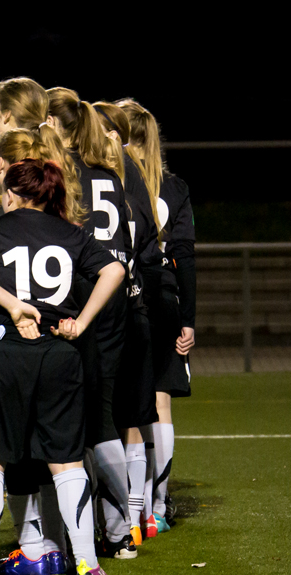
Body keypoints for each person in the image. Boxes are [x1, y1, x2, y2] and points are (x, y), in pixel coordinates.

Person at [0, 158, 124, 575]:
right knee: (66, 463)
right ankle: (86, 561)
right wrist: (81, 323)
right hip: (59, 354)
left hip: (7, 351)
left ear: (11, 192)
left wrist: (11, 304)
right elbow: (115, 269)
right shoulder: (71, 233)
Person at [44, 86, 136, 558]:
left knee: (77, 417)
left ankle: (82, 531)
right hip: (116, 296)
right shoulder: (110, 171)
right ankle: (123, 527)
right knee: (105, 412)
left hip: (81, 296)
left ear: (53, 125)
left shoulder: (57, 172)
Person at [117, 98, 195, 535]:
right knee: (160, 402)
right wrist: (189, 317)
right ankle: (156, 509)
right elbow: (185, 255)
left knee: (127, 404)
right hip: (165, 297)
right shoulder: (174, 187)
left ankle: (130, 508)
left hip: (127, 296)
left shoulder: (114, 182)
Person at [93, 101, 162, 545]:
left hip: (105, 310)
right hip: (131, 305)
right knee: (127, 419)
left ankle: (125, 521)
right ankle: (136, 518)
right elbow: (149, 244)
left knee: (109, 418)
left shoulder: (95, 174)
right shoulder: (129, 176)